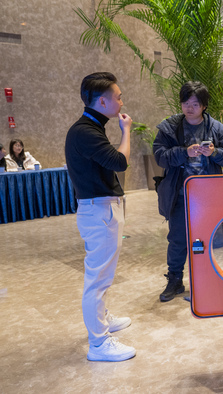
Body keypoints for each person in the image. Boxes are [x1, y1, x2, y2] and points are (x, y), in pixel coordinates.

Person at [65, 72, 136, 362]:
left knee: (102, 275)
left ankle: (102, 320)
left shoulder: (91, 127)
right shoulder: (85, 131)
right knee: (97, 278)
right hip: (99, 210)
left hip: (101, 208)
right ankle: (98, 343)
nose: (121, 101)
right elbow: (119, 162)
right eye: (118, 97)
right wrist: (126, 130)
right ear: (103, 101)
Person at [153, 81, 223, 302]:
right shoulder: (169, 127)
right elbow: (159, 155)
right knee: (178, 239)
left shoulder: (216, 128)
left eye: (195, 103)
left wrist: (214, 153)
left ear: (204, 106)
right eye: (186, 102)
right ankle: (175, 280)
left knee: (208, 239)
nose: (190, 107)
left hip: (207, 196)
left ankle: (207, 279)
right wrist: (184, 152)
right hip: (180, 194)